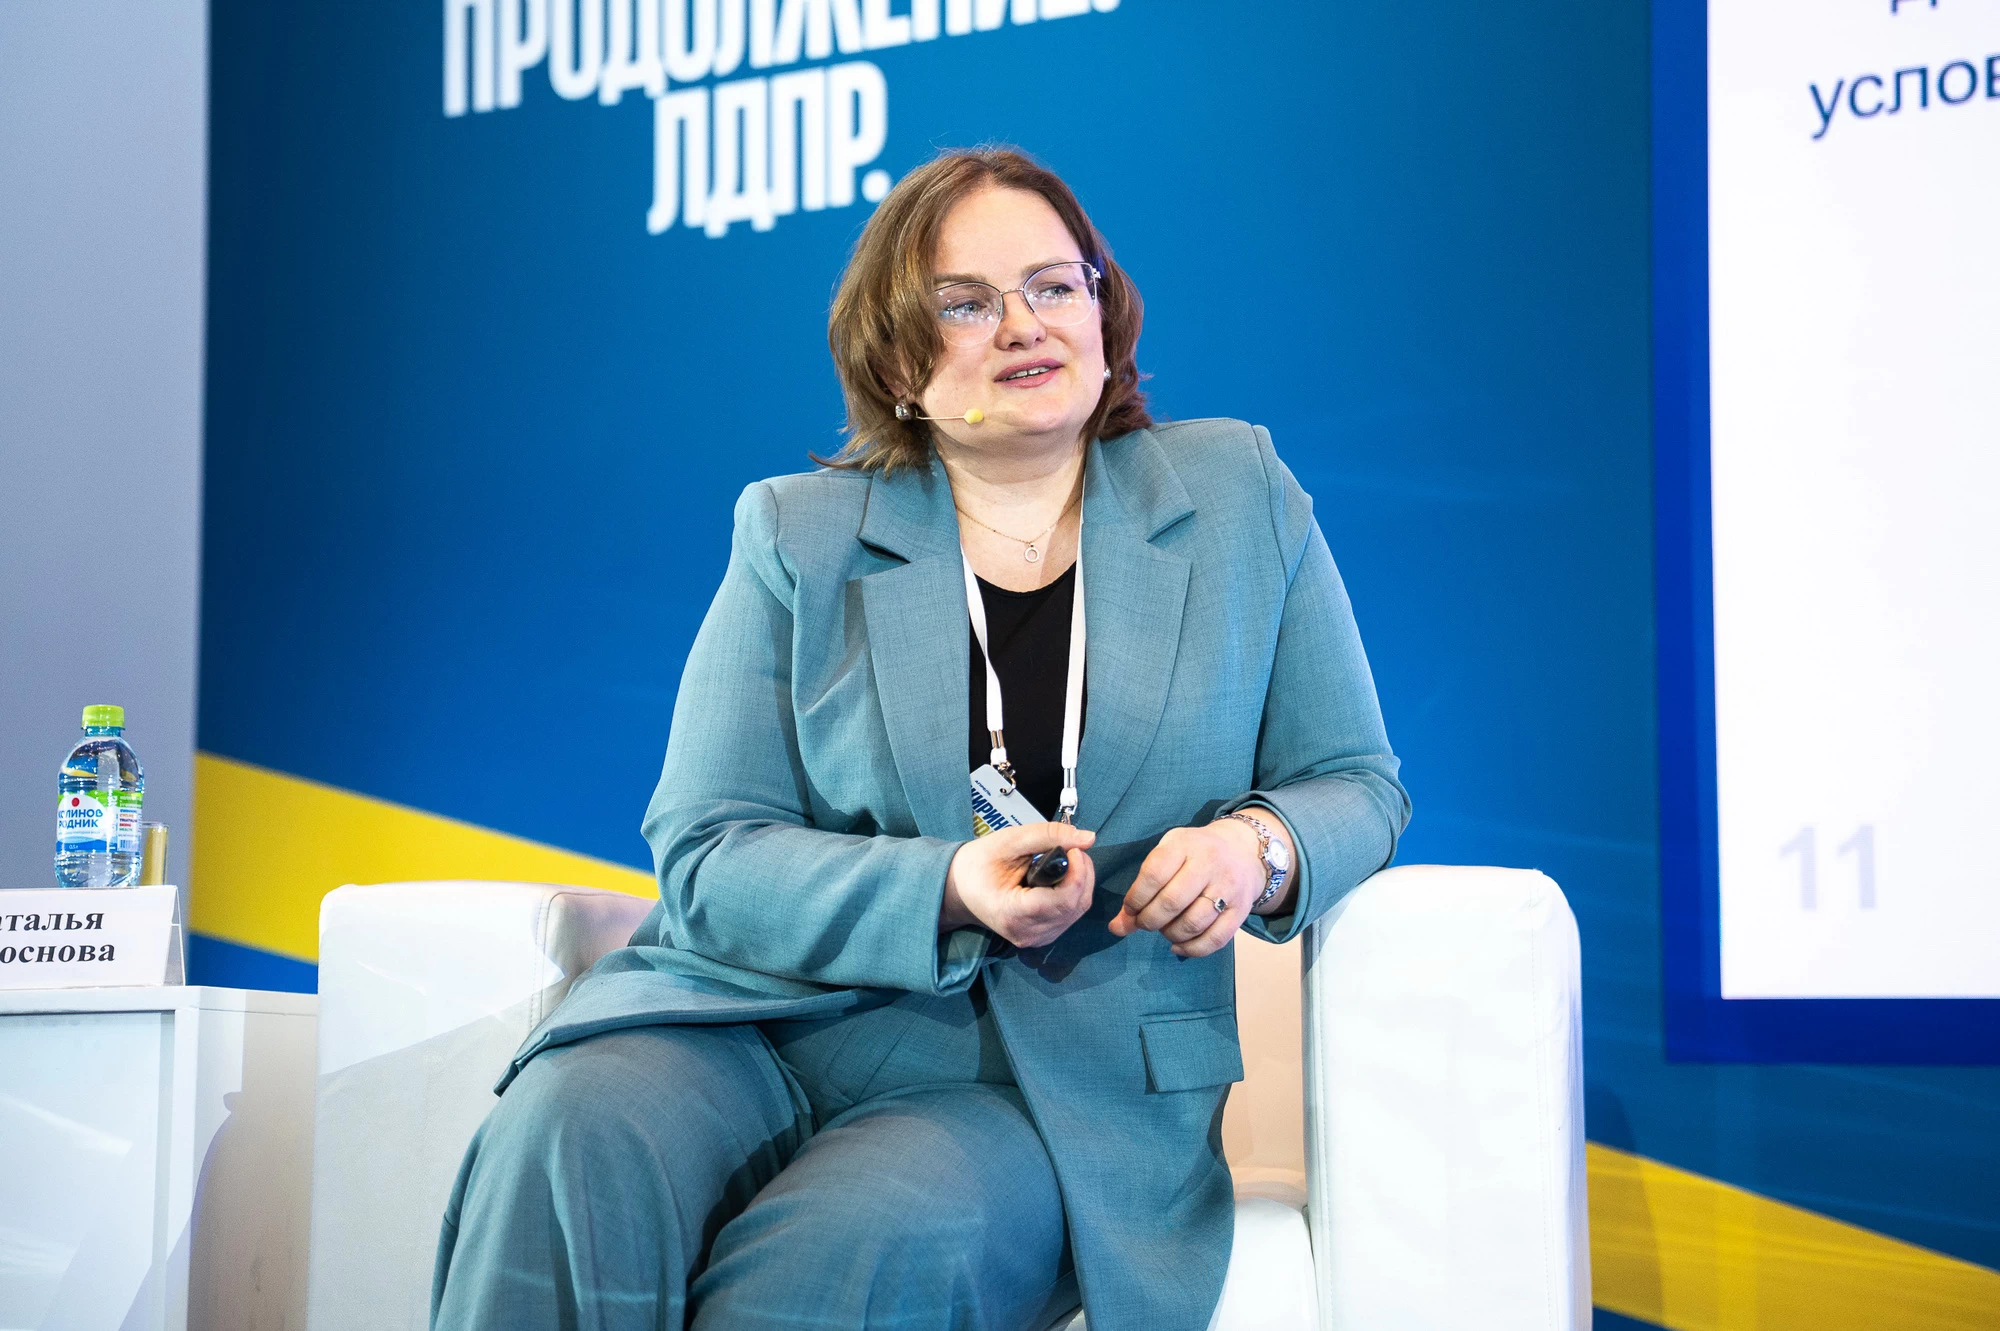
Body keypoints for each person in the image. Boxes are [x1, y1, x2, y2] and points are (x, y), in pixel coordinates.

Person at [429, 146, 1409, 1331]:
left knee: (866, 1232)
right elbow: (706, 850)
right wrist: (943, 885)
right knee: (567, 1127)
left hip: (1043, 1082)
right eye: (965, 303)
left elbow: (1355, 780)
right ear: (896, 363)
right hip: (753, 1018)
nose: (1022, 324)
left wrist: (1254, 845)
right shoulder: (798, 534)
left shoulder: (1235, 491)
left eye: (1054, 284)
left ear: (1102, 309)